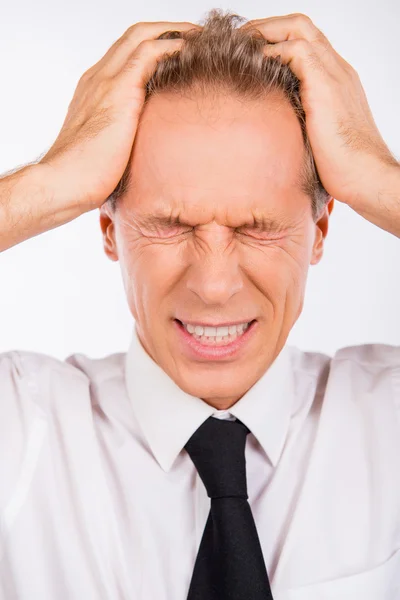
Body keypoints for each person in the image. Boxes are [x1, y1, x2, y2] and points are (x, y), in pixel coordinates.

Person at [0, 8, 399, 600]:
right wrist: (51, 180)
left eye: (258, 227)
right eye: (170, 225)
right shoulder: (20, 431)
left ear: (319, 231)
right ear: (108, 231)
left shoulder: (386, 421)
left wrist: (377, 177)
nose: (213, 285)